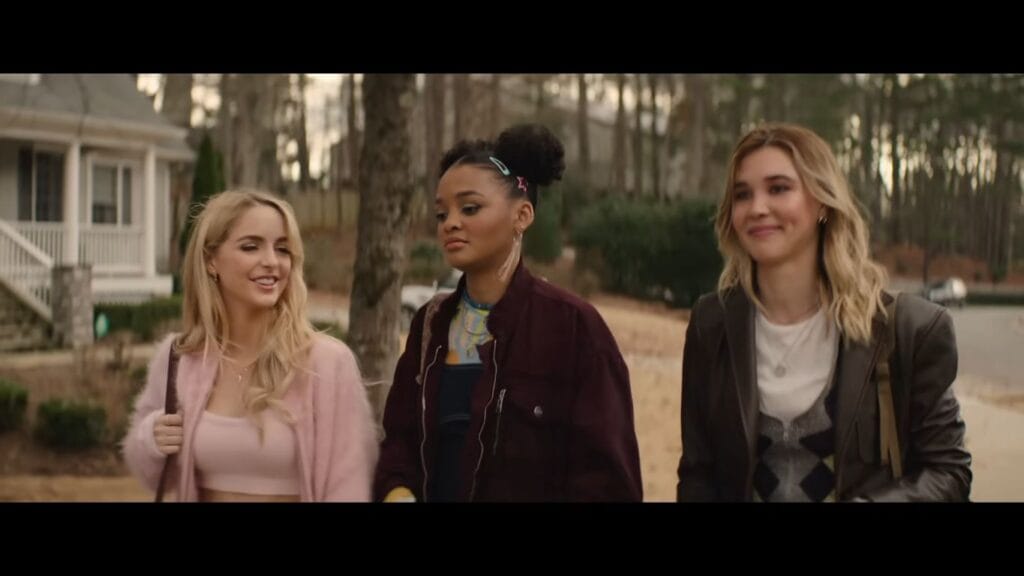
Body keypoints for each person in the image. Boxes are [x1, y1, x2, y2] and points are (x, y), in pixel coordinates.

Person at [677, 123, 972, 502]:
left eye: (779, 188)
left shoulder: (908, 330)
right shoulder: (710, 324)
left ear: (821, 203)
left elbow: (949, 472)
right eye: (742, 195)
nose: (758, 208)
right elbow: (697, 475)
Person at [375, 124, 642, 502]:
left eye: (470, 208)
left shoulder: (574, 329)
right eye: (441, 213)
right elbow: (399, 444)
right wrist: (397, 492)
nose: (450, 222)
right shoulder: (430, 326)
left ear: (523, 215)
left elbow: (608, 482)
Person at [123, 189, 377, 502]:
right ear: (211, 261)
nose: (272, 262)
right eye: (251, 246)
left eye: (282, 249)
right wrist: (152, 438)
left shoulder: (328, 363)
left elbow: (349, 486)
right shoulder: (180, 358)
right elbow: (151, 475)